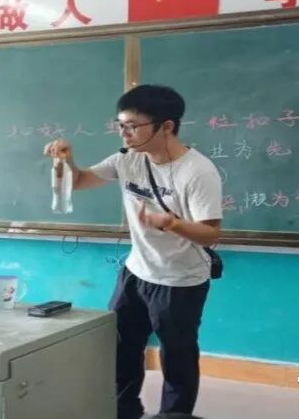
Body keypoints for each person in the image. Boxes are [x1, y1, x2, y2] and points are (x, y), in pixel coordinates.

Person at [44, 85, 222, 419]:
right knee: (121, 348)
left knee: (177, 357)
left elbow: (211, 234)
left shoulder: (198, 172)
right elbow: (79, 181)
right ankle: (122, 410)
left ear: (166, 126)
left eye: (132, 126)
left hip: (180, 280)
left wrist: (171, 223)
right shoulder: (127, 159)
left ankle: (174, 416)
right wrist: (65, 162)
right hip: (136, 272)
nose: (123, 133)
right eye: (121, 125)